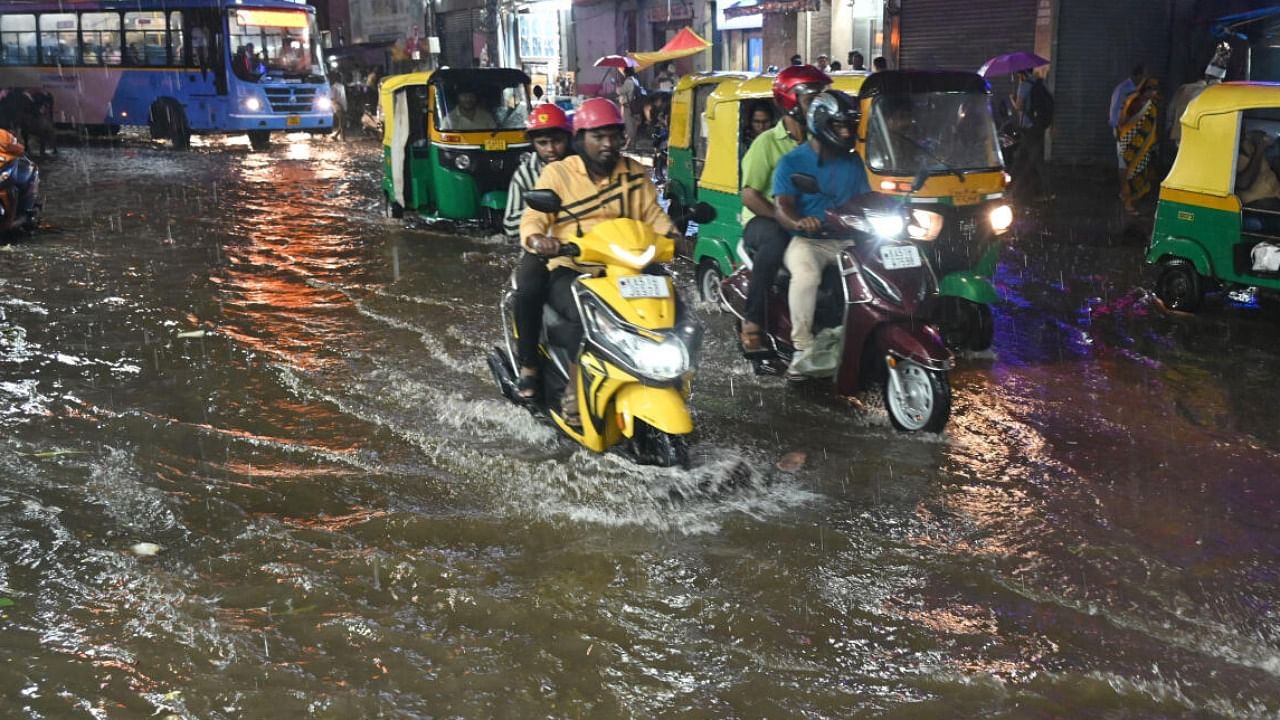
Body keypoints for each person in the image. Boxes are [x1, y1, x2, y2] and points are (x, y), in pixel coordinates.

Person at [520, 98, 675, 427]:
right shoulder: (558, 173)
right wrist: (538, 240)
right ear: (581, 139)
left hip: (628, 269)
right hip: (574, 269)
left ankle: (672, 377)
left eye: (614, 136)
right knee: (584, 318)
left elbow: (654, 217)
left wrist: (675, 237)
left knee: (673, 309)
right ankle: (576, 393)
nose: (607, 144)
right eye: (598, 137)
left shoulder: (634, 173)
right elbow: (534, 218)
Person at [737, 64, 831, 353]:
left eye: (822, 98)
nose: (820, 105)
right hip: (764, 220)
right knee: (776, 240)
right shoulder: (767, 143)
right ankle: (752, 322)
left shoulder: (827, 141)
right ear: (790, 102)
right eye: (811, 99)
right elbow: (749, 195)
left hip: (810, 219)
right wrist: (784, 218)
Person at [776, 91, 871, 375]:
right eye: (840, 125)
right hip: (809, 242)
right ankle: (802, 347)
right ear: (821, 123)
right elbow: (782, 205)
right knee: (807, 276)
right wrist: (799, 222)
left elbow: (866, 199)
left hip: (847, 240)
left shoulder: (854, 162)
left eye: (849, 126)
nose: (846, 131)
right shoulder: (792, 163)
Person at [505, 105, 575, 399]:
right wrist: (538, 236)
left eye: (556, 141)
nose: (551, 149)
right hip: (541, 251)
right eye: (542, 143)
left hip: (583, 248)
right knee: (529, 290)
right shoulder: (525, 175)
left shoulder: (581, 168)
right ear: (533, 144)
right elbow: (510, 223)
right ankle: (529, 366)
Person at [1117, 76, 1160, 213]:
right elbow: (1122, 121)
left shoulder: (1152, 106)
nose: (1152, 93)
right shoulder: (1133, 102)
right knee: (1129, 175)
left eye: (1154, 90)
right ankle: (1128, 204)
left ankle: (1130, 200)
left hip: (1142, 148)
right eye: (1150, 90)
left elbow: (1152, 127)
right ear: (1144, 90)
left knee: (1138, 175)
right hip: (1129, 145)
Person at [1010, 69, 1052, 202]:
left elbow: (1019, 106)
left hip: (1029, 128)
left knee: (1032, 160)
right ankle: (1033, 192)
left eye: (1017, 74)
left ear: (1021, 73)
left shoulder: (1024, 85)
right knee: (1026, 159)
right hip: (1038, 125)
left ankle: (1047, 192)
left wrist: (1012, 99)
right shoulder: (1039, 83)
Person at [1110, 64, 1145, 209]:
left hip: (1129, 131)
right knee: (1124, 164)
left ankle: (1127, 193)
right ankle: (1125, 196)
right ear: (1138, 76)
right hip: (1122, 131)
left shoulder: (1132, 90)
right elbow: (1115, 111)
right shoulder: (1124, 89)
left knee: (1128, 163)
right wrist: (1118, 130)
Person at [618, 66, 643, 150]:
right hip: (633, 105)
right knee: (633, 125)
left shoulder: (628, 81)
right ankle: (632, 144)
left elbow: (621, 91)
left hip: (628, 106)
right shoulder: (635, 80)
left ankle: (629, 145)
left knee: (629, 126)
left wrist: (617, 88)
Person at [329, 72, 348, 140]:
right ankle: (343, 138)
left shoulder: (340, 86)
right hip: (338, 107)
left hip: (342, 106)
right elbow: (333, 98)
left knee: (342, 122)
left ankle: (337, 136)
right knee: (342, 122)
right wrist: (341, 105)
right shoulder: (334, 87)